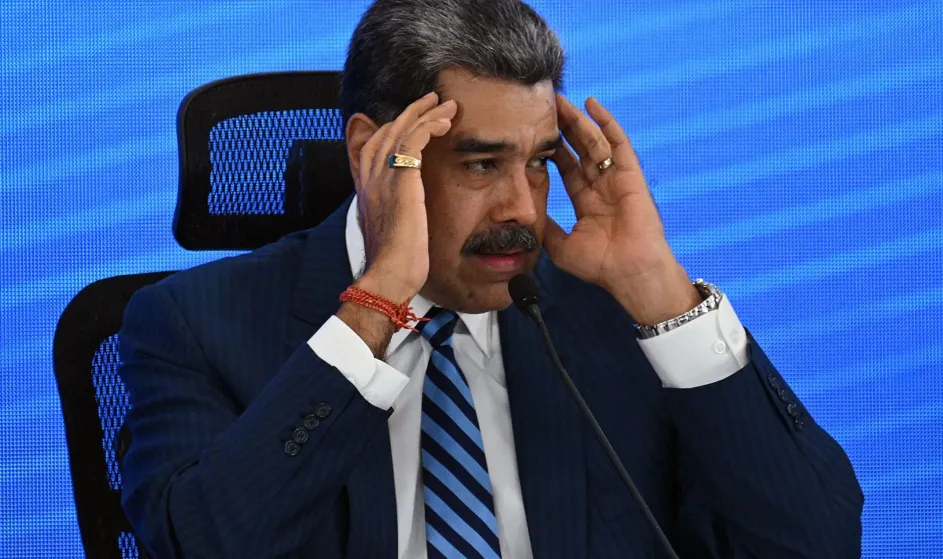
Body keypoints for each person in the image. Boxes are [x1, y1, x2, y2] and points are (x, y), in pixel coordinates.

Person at [117, 0, 864, 557]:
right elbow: (199, 544)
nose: (522, 209)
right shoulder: (195, 326)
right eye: (481, 163)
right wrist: (378, 303)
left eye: (537, 163)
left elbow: (814, 544)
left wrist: (660, 291)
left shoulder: (613, 319)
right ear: (375, 152)